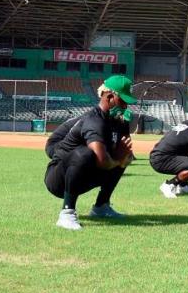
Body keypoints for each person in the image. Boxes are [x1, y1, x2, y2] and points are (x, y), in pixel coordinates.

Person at [44, 75, 136, 230]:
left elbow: (123, 152)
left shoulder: (118, 121)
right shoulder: (94, 121)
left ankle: (101, 206)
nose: (126, 106)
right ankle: (67, 213)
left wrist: (122, 157)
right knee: (84, 153)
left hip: (82, 175)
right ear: (110, 97)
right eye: (123, 101)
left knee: (124, 155)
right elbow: (102, 161)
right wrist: (118, 159)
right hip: (58, 179)